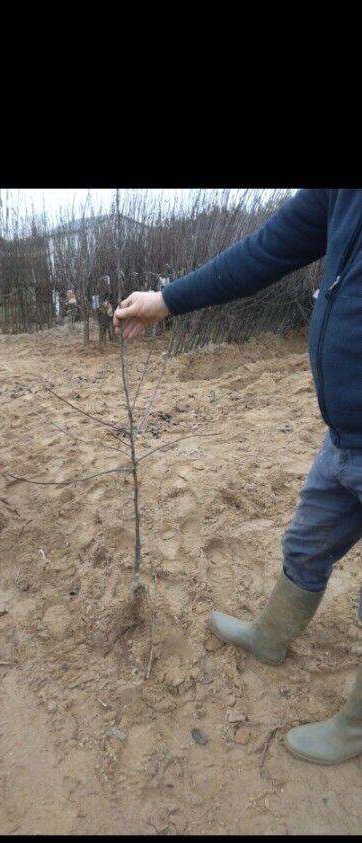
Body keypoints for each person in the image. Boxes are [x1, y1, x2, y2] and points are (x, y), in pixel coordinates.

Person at [114, 189, 362, 765]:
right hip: (345, 434)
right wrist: (167, 300)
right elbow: (265, 251)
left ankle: (356, 728)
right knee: (307, 542)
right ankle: (270, 637)